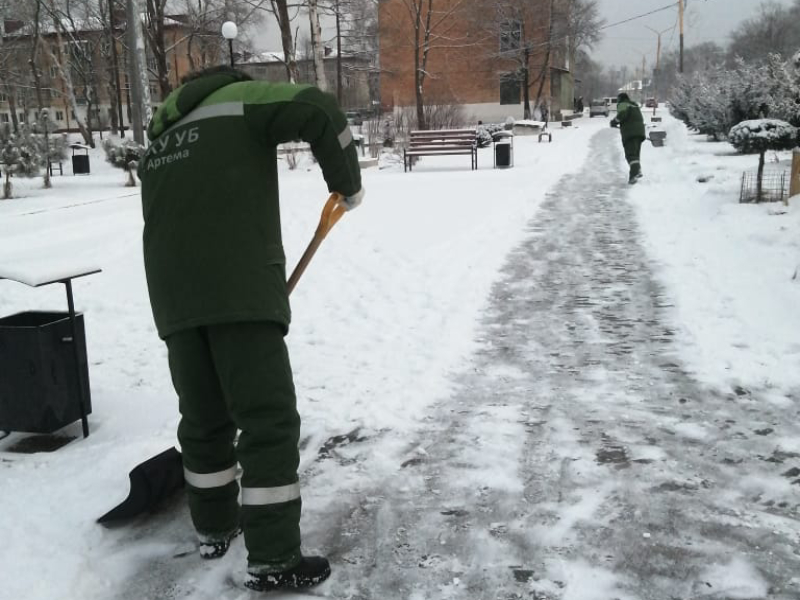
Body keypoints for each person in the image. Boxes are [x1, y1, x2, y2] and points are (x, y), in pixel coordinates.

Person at [137, 66, 363, 592]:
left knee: (204, 417)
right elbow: (319, 109)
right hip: (237, 290)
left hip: (173, 300)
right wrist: (347, 185)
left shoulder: (163, 136)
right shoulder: (239, 99)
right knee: (267, 422)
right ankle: (274, 556)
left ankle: (214, 527)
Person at [610, 92, 646, 184]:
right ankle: (633, 177)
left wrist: (614, 121)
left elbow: (622, 114)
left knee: (630, 155)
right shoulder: (634, 105)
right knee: (635, 155)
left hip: (630, 133)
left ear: (621, 98)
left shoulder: (623, 104)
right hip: (639, 132)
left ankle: (636, 171)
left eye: (618, 99)